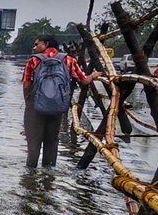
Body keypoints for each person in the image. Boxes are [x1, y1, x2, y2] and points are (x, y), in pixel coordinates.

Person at [22, 34, 100, 168]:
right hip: (58, 107)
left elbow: (26, 85)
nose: (34, 48)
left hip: (36, 107)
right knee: (52, 141)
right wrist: (93, 76)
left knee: (33, 143)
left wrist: (29, 104)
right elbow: (84, 80)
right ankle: (49, 175)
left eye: (37, 44)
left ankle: (30, 175)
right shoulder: (69, 60)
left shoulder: (33, 61)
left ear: (46, 44)